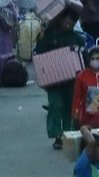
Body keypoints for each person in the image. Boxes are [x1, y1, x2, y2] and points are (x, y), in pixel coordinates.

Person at [36, 9, 88, 149]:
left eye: (71, 24)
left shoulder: (77, 39)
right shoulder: (50, 35)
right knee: (55, 106)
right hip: (53, 81)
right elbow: (39, 53)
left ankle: (67, 135)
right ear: (61, 20)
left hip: (72, 82)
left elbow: (84, 59)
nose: (68, 25)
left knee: (69, 109)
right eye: (66, 22)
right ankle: (56, 136)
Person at [72, 47, 99, 131]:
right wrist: (75, 113)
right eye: (93, 58)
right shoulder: (82, 76)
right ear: (89, 60)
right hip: (86, 117)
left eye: (98, 58)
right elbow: (77, 96)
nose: (95, 61)